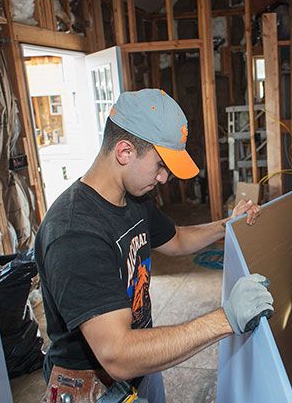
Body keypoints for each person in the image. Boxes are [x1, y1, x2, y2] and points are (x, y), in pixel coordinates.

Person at [35, 89, 274, 403]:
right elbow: (117, 354)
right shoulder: (74, 233)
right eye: (160, 165)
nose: (164, 178)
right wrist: (226, 318)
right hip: (95, 386)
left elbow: (175, 239)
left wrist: (227, 226)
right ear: (125, 152)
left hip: (141, 364)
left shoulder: (133, 200)